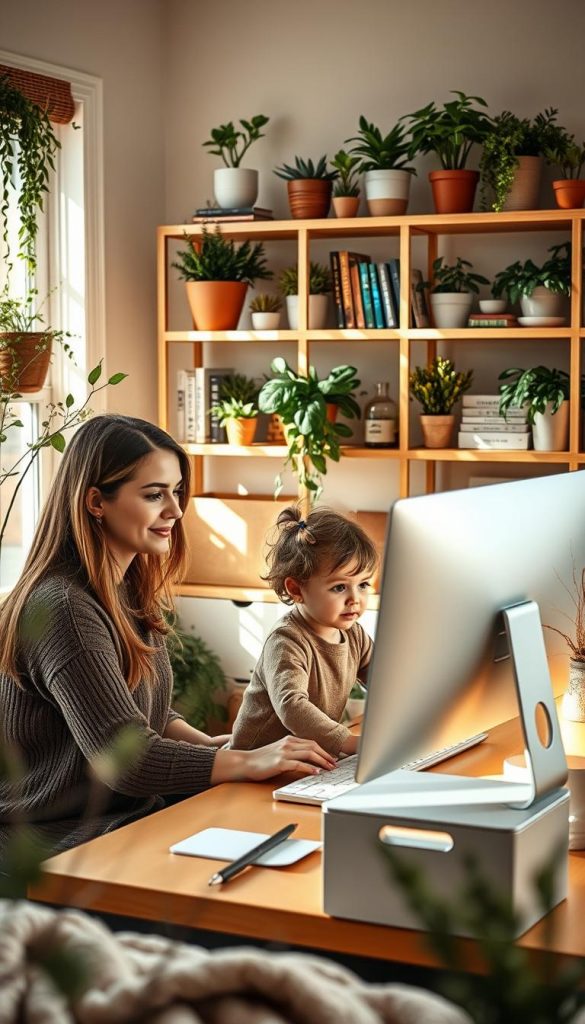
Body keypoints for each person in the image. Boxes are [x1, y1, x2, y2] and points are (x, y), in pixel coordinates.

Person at [0, 415, 335, 857]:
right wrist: (245, 761)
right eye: (154, 494)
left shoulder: (124, 588)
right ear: (96, 502)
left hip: (122, 817)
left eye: (176, 491)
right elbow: (126, 757)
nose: (176, 510)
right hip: (55, 842)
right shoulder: (64, 608)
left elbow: (138, 710)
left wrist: (217, 746)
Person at [230, 505, 377, 758]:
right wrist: (349, 743)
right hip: (253, 763)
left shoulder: (354, 634)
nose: (355, 598)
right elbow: (292, 706)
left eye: (363, 584)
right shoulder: (287, 640)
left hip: (303, 758)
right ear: (296, 590)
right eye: (340, 587)